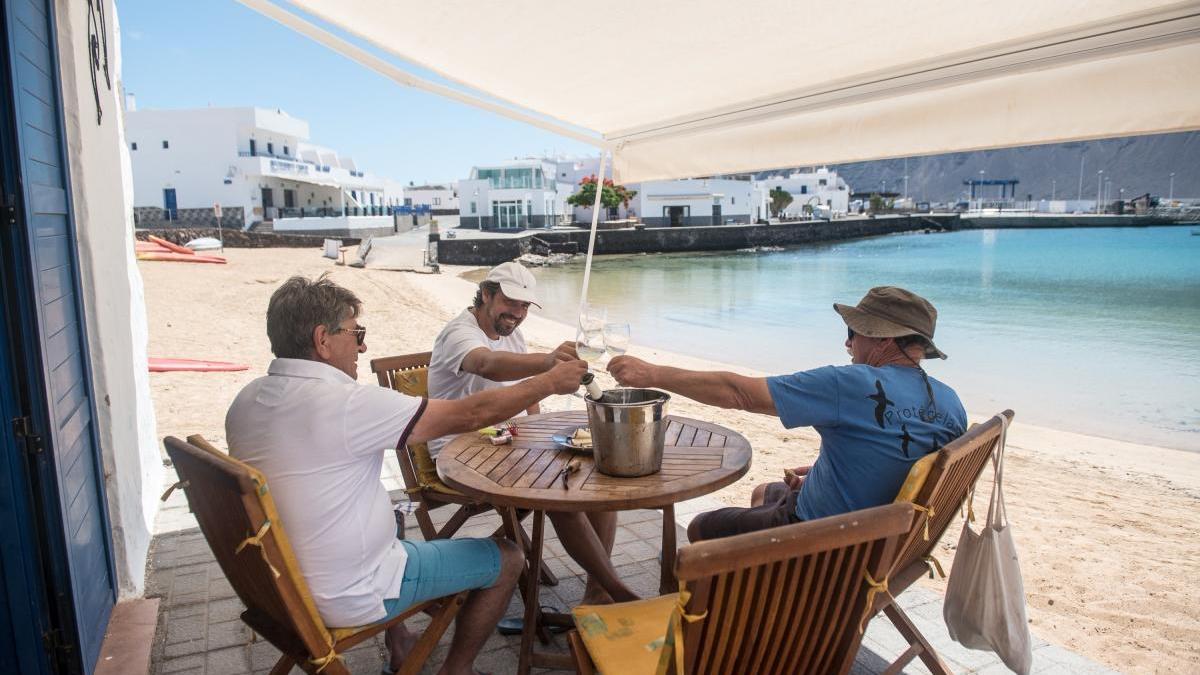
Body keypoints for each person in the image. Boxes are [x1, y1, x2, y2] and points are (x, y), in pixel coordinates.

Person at [226, 275, 587, 675]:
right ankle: (458, 669)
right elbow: (470, 414)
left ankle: (401, 645)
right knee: (507, 557)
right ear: (322, 340)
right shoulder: (346, 404)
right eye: (355, 332)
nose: (362, 345)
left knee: (392, 513)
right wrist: (549, 382)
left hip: (275, 589)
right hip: (349, 591)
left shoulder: (246, 400)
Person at [609, 286, 967, 543]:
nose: (847, 344)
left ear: (883, 339)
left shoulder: (851, 384)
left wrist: (653, 375)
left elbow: (739, 394)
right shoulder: (951, 402)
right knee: (766, 491)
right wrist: (830, 473)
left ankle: (716, 629)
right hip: (886, 540)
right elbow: (899, 456)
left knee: (703, 528)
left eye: (852, 333)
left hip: (822, 539)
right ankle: (762, 592)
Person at [428, 262, 637, 605]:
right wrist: (547, 365)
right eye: (511, 302)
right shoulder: (459, 333)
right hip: (459, 451)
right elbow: (487, 365)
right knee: (558, 491)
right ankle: (615, 589)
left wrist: (540, 430)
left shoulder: (513, 335)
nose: (518, 313)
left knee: (597, 473)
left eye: (525, 306)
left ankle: (597, 591)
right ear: (485, 294)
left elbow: (525, 392)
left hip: (507, 442)